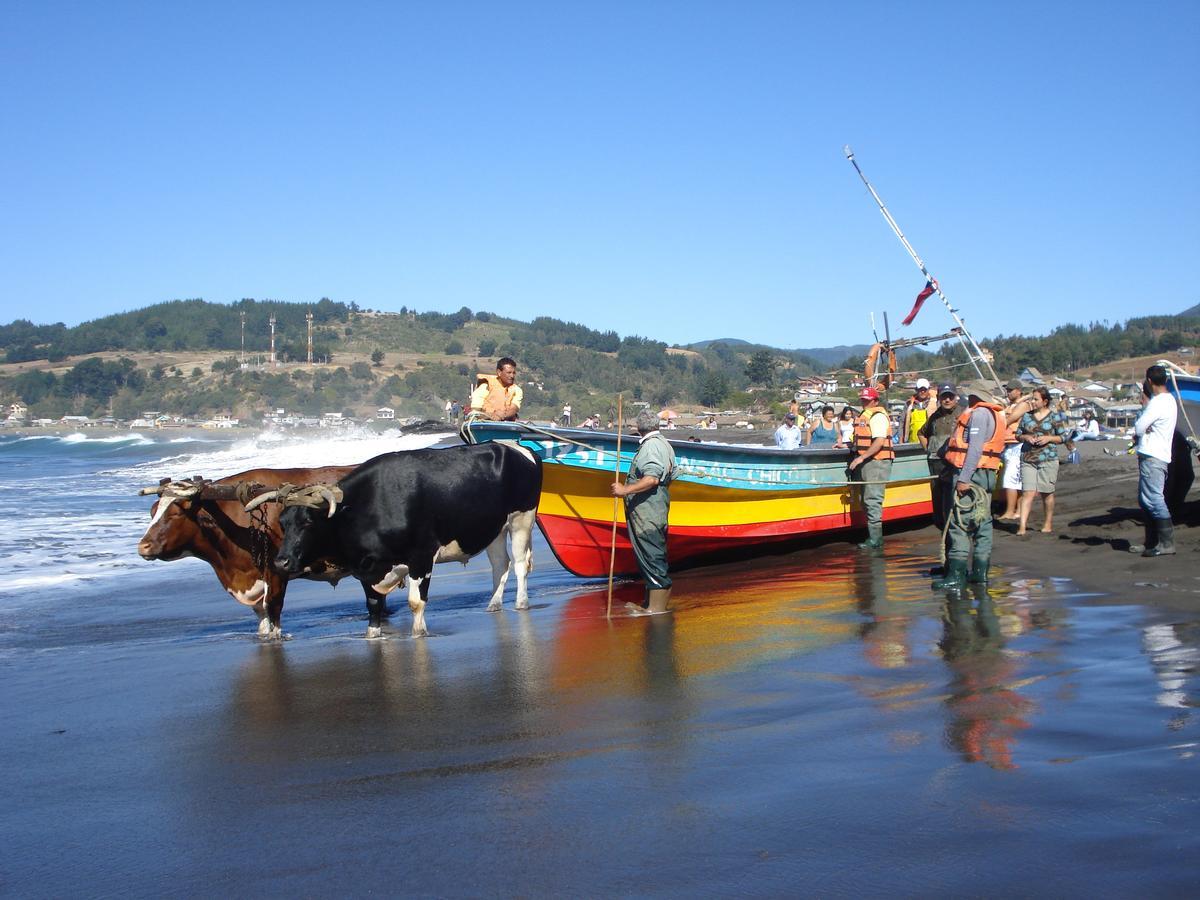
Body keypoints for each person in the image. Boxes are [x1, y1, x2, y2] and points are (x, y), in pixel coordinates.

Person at [931, 388, 1006, 588]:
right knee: (983, 522)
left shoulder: (979, 415)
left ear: (975, 396)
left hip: (972, 476)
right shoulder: (995, 414)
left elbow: (975, 448)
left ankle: (956, 576)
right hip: (986, 475)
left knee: (959, 524)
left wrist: (964, 478)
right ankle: (980, 573)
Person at [611, 408, 677, 614]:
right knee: (650, 553)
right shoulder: (663, 444)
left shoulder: (651, 447)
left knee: (652, 554)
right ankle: (649, 604)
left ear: (638, 427)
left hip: (648, 510)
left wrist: (624, 490)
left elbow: (652, 478)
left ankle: (657, 609)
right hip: (653, 507)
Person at [1131, 365, 1179, 556]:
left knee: (1154, 499)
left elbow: (1139, 427)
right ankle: (1152, 542)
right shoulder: (1171, 401)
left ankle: (1166, 544)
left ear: (1149, 381)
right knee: (1146, 499)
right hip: (1159, 454)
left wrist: (1144, 427)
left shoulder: (1158, 402)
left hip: (1153, 455)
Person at [1015, 386, 1068, 535]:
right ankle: (1022, 527)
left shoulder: (1054, 417)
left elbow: (1063, 437)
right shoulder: (1026, 416)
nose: (1033, 401)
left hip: (1048, 459)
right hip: (1028, 458)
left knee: (1047, 493)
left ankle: (1047, 523)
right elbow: (1017, 435)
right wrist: (1026, 437)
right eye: (1032, 398)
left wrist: (1048, 438)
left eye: (1036, 399)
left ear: (1045, 401)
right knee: (1027, 493)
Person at [848, 387, 894, 550]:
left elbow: (879, 442)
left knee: (872, 499)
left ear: (875, 401)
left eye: (867, 400)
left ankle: (876, 539)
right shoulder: (865, 416)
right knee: (866, 500)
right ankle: (872, 536)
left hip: (877, 462)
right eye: (863, 399)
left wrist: (861, 457)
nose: (864, 402)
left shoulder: (878, 417)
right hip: (867, 461)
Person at [918, 384, 963, 531]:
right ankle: (941, 525)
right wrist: (928, 449)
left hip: (954, 463)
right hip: (935, 463)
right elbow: (920, 433)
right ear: (939, 398)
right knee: (937, 496)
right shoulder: (934, 416)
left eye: (950, 396)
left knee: (953, 495)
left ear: (956, 398)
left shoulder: (963, 414)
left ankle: (955, 526)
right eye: (944, 396)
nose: (947, 400)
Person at [998, 382, 1034, 520]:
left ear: (1019, 391)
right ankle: (1018, 510)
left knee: (1010, 479)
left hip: (1017, 445)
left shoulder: (1023, 404)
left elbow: (1010, 419)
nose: (1008, 392)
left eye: (1011, 390)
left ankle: (1010, 511)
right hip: (1009, 445)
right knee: (1015, 481)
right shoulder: (1012, 405)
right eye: (1007, 390)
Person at [468, 357, 522, 421]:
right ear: (499, 372)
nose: (512, 376)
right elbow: (475, 411)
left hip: (506, 423)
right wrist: (491, 415)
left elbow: (514, 409)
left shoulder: (517, 390)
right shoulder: (485, 387)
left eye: (514, 373)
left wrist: (502, 415)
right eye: (509, 373)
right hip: (485, 422)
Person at [901, 378, 937, 444]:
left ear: (929, 389)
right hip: (912, 443)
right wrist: (901, 441)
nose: (922, 392)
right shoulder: (908, 404)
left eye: (925, 389)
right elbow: (902, 423)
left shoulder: (935, 403)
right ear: (916, 390)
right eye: (920, 389)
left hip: (930, 443)